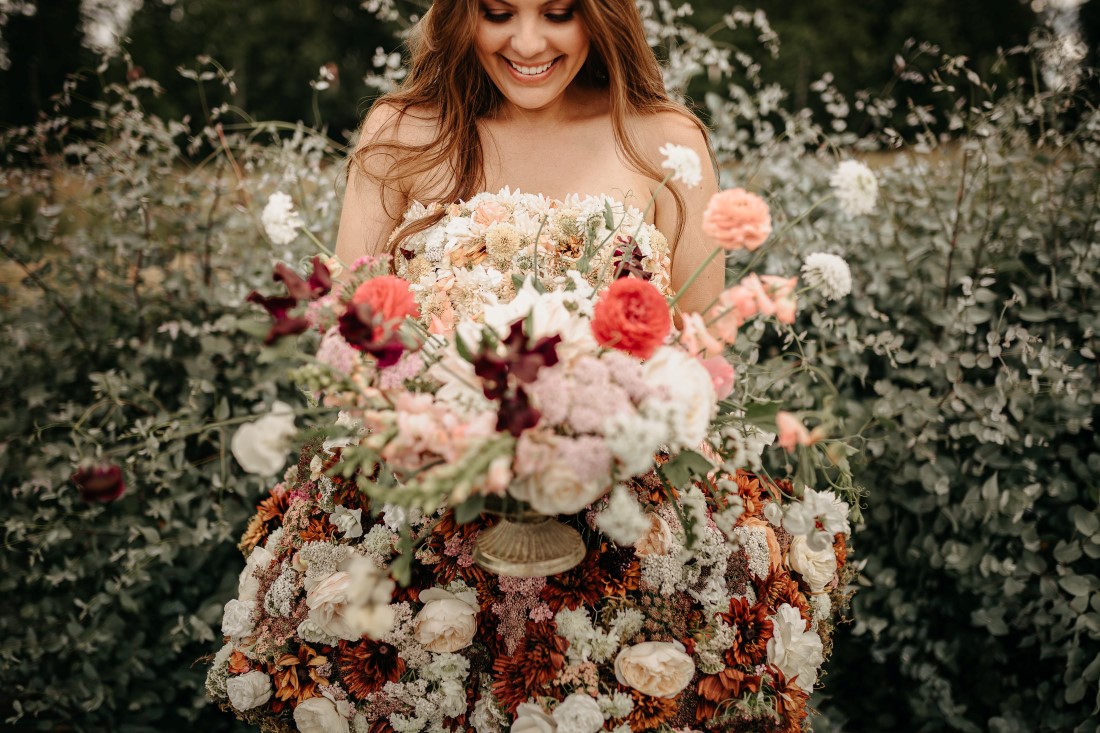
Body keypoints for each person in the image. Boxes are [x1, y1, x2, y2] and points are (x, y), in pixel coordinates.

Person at [335, 0, 723, 316]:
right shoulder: (402, 134)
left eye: (557, 14)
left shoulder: (668, 142)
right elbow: (350, 332)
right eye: (499, 14)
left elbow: (701, 357)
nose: (528, 44)